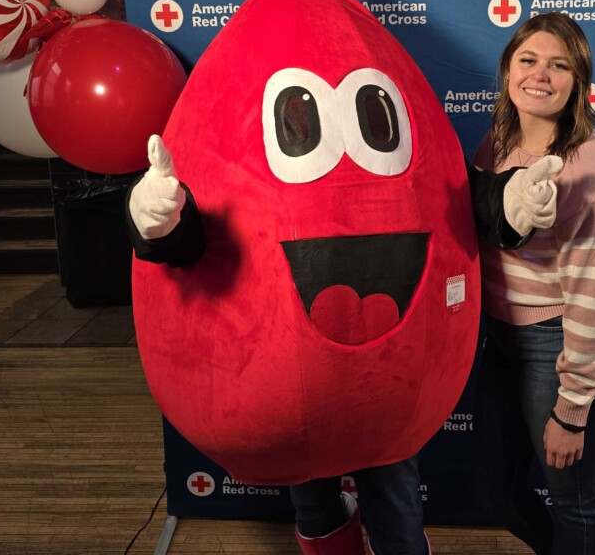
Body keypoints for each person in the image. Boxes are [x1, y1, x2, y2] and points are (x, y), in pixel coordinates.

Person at [126, 136, 431, 555]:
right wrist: (157, 223)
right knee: (315, 507)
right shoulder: (249, 120)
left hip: (383, 369)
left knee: (396, 516)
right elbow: (199, 226)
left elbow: (432, 192)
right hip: (293, 377)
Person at [470, 12, 595, 555]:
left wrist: (572, 408)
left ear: (578, 83)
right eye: (529, 60)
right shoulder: (496, 142)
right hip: (503, 340)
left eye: (559, 66)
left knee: (574, 500)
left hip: (562, 345)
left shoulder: (589, 165)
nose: (540, 75)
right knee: (494, 493)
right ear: (507, 70)